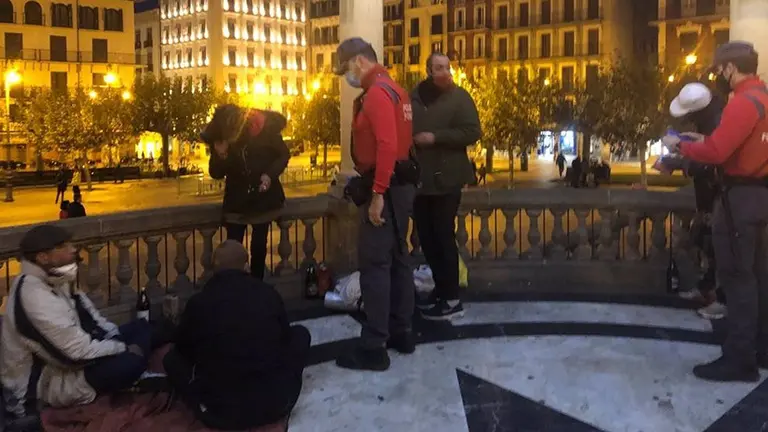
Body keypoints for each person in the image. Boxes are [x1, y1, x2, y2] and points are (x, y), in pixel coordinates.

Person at [663, 41, 768, 382]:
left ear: (730, 68)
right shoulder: (764, 99)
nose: (719, 75)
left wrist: (682, 146)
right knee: (758, 278)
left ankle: (740, 360)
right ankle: (759, 348)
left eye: (720, 70)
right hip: (760, 198)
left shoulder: (742, 103)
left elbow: (719, 150)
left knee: (738, 280)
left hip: (739, 200)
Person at [1, 225, 151, 420]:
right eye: (63, 246)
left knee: (146, 326)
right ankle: (138, 369)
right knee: (130, 362)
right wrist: (122, 348)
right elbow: (75, 356)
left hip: (77, 357)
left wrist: (114, 338)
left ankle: (139, 363)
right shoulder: (33, 295)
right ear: (43, 257)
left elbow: (91, 317)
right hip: (46, 384)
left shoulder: (56, 277)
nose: (73, 249)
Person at [332, 37, 418, 370]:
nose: (346, 77)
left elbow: (386, 145)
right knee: (399, 261)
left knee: (375, 266)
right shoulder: (396, 90)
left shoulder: (377, 94)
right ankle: (402, 331)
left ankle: (374, 346)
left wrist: (378, 194)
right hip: (401, 187)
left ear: (358, 61)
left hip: (385, 188)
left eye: (345, 69)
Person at [163, 240, 310, 430]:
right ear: (246, 266)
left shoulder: (199, 303)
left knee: (171, 360)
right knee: (301, 335)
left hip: (219, 411)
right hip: (273, 403)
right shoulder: (268, 294)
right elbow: (285, 337)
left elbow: (183, 349)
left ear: (213, 270)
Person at [411, 52, 481, 320]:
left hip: (448, 179)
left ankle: (452, 298)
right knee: (426, 239)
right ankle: (441, 290)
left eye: (447, 67)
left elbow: (473, 131)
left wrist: (436, 138)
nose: (444, 72)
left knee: (443, 236)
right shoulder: (414, 96)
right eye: (438, 67)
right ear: (427, 70)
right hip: (421, 181)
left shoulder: (460, 97)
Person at [200, 104, 290, 280]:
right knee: (233, 248)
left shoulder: (268, 132)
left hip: (262, 199)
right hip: (237, 201)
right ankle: (234, 286)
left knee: (259, 247)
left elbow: (283, 155)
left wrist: (269, 175)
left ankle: (255, 284)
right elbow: (216, 173)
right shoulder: (223, 135)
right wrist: (222, 154)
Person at [668, 82, 727, 319]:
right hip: (709, 196)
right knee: (706, 243)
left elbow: (713, 161)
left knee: (718, 249)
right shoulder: (714, 116)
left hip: (717, 195)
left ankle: (720, 299)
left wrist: (680, 160)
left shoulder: (716, 121)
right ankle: (707, 289)